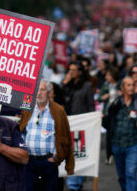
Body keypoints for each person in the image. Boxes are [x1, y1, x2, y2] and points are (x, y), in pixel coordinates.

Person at [19, 80, 74, 191]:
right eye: (36, 90)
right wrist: (22, 150)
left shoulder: (58, 110)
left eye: (42, 90)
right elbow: (22, 130)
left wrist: (56, 156)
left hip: (48, 162)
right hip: (29, 161)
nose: (39, 93)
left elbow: (65, 137)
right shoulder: (27, 108)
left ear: (49, 92)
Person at [103, 76, 137, 191]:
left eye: (133, 85)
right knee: (121, 176)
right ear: (122, 87)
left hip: (133, 145)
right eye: (128, 85)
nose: (131, 88)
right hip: (117, 144)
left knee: (131, 173)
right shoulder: (115, 104)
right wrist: (102, 119)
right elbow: (107, 124)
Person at [61, 61, 95, 190]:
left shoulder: (87, 86)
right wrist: (65, 83)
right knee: (69, 153)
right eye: (69, 70)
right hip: (68, 123)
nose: (71, 72)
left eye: (74, 70)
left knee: (78, 154)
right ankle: (73, 182)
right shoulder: (68, 86)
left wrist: (92, 121)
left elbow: (91, 105)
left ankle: (76, 183)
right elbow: (60, 98)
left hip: (82, 125)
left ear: (80, 72)